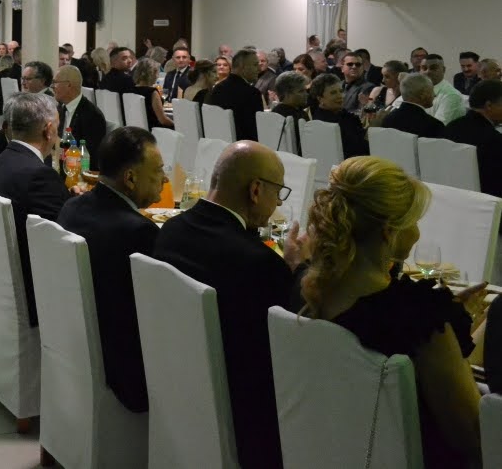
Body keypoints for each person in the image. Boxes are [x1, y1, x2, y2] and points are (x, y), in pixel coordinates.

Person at [301, 156, 482, 468]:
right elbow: (476, 438)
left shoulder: (311, 292)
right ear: (388, 231)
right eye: (413, 222)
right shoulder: (416, 317)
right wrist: (445, 322)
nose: (417, 233)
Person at [154, 141, 302, 469]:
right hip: (239, 412)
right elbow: (285, 353)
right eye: (278, 193)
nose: (278, 203)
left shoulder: (171, 230)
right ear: (255, 191)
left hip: (175, 382)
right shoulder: (259, 264)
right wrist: (296, 271)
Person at [58, 127, 164, 413]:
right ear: (130, 178)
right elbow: (156, 312)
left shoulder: (71, 207)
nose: (165, 179)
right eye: (158, 171)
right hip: (122, 368)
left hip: (72, 342)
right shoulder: (138, 232)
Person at [0, 92, 69, 327]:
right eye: (57, 127)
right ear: (48, 130)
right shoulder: (40, 175)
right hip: (36, 293)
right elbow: (65, 238)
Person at [445, 80, 502, 198]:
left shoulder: (451, 127)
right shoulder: (494, 140)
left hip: (450, 195)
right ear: (489, 106)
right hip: (485, 200)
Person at [206, 49, 263, 140]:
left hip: (218, 143)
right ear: (243, 67)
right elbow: (256, 132)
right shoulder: (252, 94)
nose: (259, 69)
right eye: (255, 65)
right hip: (243, 146)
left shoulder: (217, 88)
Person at [308, 73, 369, 157]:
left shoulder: (342, 114)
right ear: (320, 98)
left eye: (341, 91)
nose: (340, 96)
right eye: (333, 93)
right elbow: (358, 148)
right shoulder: (327, 122)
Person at [51, 65, 106, 153]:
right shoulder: (60, 108)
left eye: (55, 82)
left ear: (69, 85)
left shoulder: (92, 116)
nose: (52, 86)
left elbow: (89, 154)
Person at [379, 74, 446, 139]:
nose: (434, 95)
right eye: (432, 91)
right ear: (423, 95)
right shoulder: (434, 126)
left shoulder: (387, 119)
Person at [421, 54, 467, 125]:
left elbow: (437, 127)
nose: (428, 71)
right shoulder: (418, 91)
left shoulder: (451, 95)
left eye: (433, 68)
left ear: (443, 70)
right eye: (424, 68)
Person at [130, 58, 173, 129]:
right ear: (152, 74)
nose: (157, 76)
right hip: (154, 129)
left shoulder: (131, 90)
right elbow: (163, 120)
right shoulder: (152, 92)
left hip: (137, 128)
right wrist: (177, 125)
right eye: (157, 73)